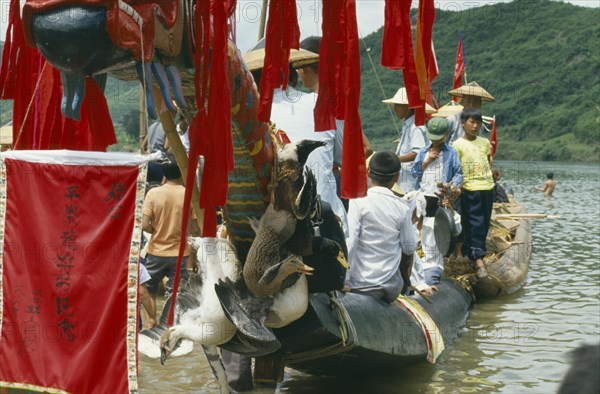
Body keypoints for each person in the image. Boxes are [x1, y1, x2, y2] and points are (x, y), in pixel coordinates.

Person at [345, 150, 417, 303]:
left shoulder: (358, 201)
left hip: (359, 286)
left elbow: (350, 243)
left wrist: (342, 281)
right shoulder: (403, 207)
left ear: (369, 171)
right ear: (397, 177)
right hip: (390, 289)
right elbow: (409, 248)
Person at [142, 156, 199, 305]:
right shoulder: (188, 194)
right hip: (179, 254)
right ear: (181, 172)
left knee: (149, 289)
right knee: (175, 294)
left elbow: (144, 225)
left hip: (155, 252)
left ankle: (151, 321)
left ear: (164, 174)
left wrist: (156, 230)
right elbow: (195, 230)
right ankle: (169, 325)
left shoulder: (153, 193)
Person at [412, 118, 463, 284]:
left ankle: (434, 264)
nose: (435, 140)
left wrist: (451, 189)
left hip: (440, 196)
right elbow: (415, 171)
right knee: (420, 227)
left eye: (439, 137)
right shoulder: (423, 151)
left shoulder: (451, 152)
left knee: (437, 228)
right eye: (433, 137)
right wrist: (427, 160)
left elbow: (458, 173)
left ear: (446, 135)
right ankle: (418, 262)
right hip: (423, 194)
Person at [452, 108, 495, 278]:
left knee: (483, 224)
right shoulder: (457, 145)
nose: (475, 126)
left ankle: (473, 253)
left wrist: (493, 174)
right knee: (475, 222)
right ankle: (478, 260)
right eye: (472, 122)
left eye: (478, 122)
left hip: (487, 186)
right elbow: (456, 169)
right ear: (463, 123)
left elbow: (487, 163)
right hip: (470, 187)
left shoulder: (484, 142)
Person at [382, 87, 429, 193]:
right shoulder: (408, 124)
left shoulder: (415, 127)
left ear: (408, 107)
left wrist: (395, 160)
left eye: (397, 105)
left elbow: (418, 152)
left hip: (411, 179)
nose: (394, 108)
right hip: (405, 178)